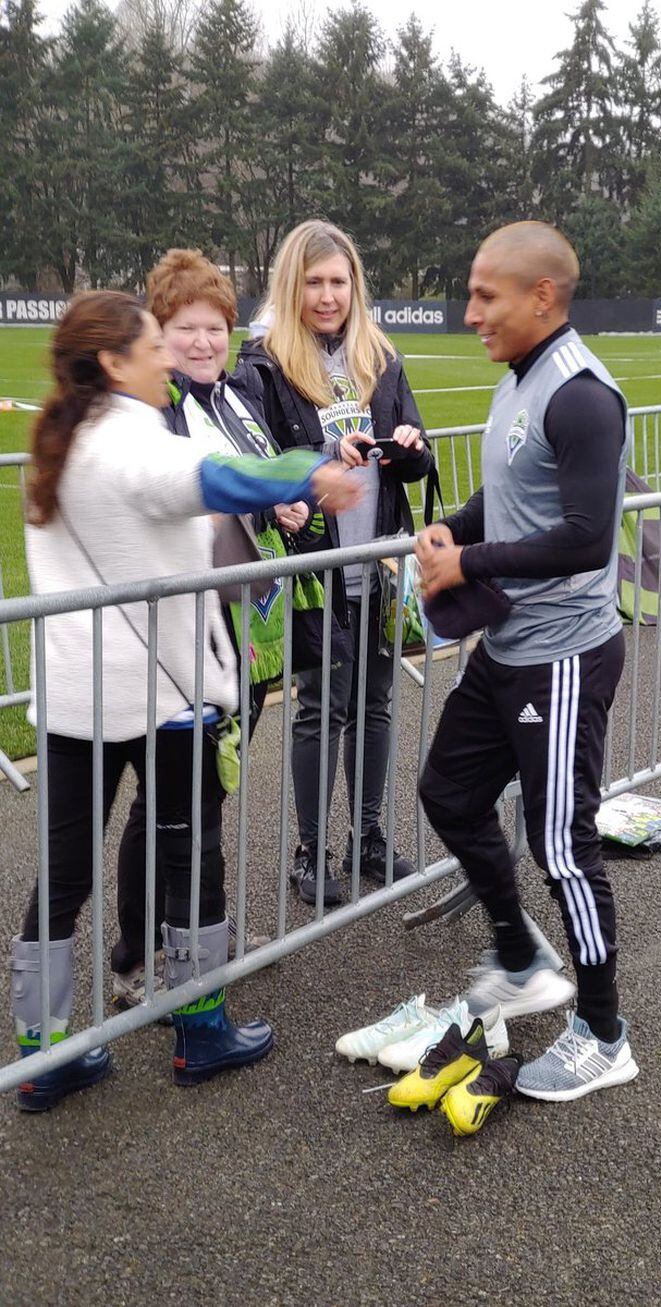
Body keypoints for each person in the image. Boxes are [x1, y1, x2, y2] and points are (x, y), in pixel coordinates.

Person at [11, 291, 359, 1111]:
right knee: (191, 855)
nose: (169, 358)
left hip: (75, 698)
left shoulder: (61, 436)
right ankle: (201, 1030)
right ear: (112, 363)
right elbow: (206, 476)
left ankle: (43, 1053)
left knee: (63, 874)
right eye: (152, 346)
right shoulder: (128, 437)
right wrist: (307, 470)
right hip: (163, 692)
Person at [416, 221, 638, 1103]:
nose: (470, 313)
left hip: (564, 656)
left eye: (486, 296)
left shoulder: (582, 396)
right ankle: (519, 955)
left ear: (541, 296)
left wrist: (466, 563)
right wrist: (454, 529)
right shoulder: (519, 378)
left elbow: (586, 537)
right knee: (448, 792)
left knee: (563, 846)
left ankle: (605, 1033)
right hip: (509, 645)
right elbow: (510, 493)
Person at [109, 249, 312, 1008]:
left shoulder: (238, 397)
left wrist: (284, 504)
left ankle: (197, 935)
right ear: (159, 334)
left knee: (207, 793)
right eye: (186, 328)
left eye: (216, 328)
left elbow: (254, 482)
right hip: (181, 637)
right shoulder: (155, 414)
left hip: (246, 630)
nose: (203, 342)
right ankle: (141, 954)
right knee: (166, 802)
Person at [236, 219, 433, 905]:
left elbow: (420, 455)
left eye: (339, 282)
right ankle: (309, 852)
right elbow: (253, 463)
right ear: (293, 285)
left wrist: (409, 446)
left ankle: (368, 838)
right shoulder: (264, 363)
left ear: (356, 286)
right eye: (314, 282)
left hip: (378, 563)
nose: (327, 296)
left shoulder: (380, 355)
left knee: (376, 703)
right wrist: (323, 458)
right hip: (314, 569)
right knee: (321, 709)